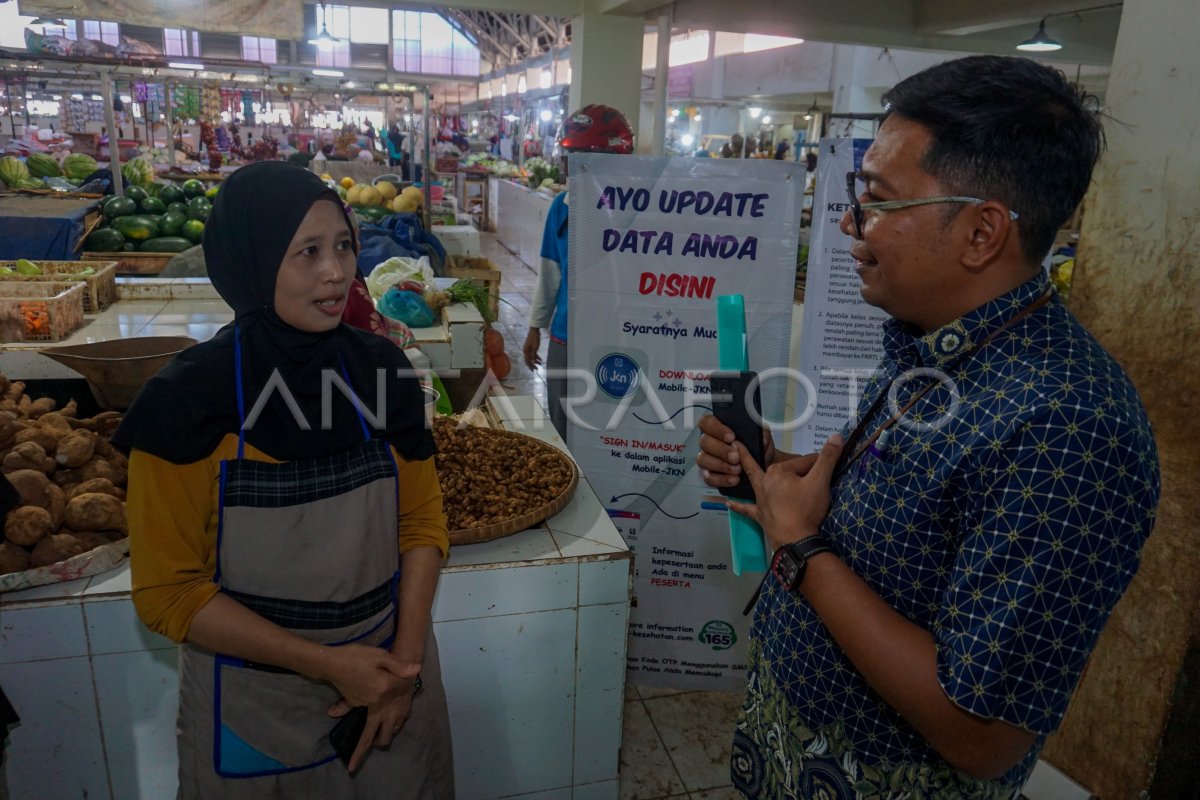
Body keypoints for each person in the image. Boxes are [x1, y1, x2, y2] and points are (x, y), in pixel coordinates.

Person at [697, 55, 1160, 798]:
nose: (849, 222)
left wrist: (802, 550)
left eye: (877, 199)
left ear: (980, 233)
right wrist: (778, 469)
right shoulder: (939, 340)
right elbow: (919, 504)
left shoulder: (1068, 430)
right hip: (798, 740)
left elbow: (982, 735)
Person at [114, 161, 454, 798]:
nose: (335, 272)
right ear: (251, 261)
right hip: (253, 712)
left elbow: (420, 523)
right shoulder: (186, 402)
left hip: (388, 693)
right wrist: (327, 666)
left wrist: (402, 668)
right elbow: (167, 591)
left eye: (343, 246)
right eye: (307, 253)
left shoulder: (384, 370)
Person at [522, 104, 634, 437]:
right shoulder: (562, 207)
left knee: (615, 428)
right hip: (566, 337)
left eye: (579, 160)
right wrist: (534, 326)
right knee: (563, 425)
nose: (570, 170)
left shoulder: (641, 210)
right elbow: (550, 273)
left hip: (624, 338)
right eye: (567, 160)